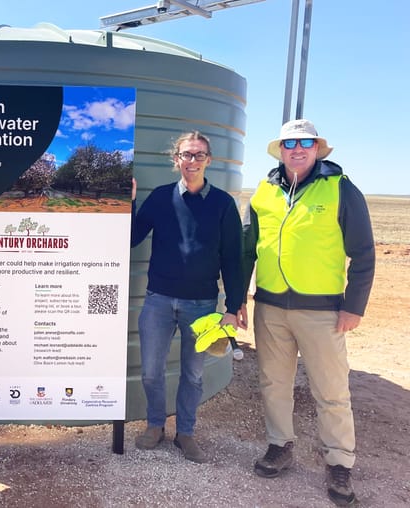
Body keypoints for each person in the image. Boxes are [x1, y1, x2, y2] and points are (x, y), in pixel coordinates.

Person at [242, 119, 375, 506]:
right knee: (274, 384)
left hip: (322, 312)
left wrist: (354, 307)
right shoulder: (263, 192)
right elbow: (247, 250)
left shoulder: (341, 189)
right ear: (280, 150)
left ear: (317, 148)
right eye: (289, 144)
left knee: (331, 391)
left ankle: (339, 463)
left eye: (305, 143)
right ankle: (279, 445)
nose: (297, 149)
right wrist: (237, 300)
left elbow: (364, 254)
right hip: (270, 307)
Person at [131, 131, 246, 463]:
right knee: (151, 372)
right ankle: (155, 425)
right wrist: (131, 202)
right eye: (186, 154)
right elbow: (133, 238)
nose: (192, 161)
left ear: (208, 160)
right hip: (158, 300)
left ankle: (186, 433)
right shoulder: (161, 198)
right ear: (176, 159)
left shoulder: (223, 204)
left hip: (202, 306)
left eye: (199, 155)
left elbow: (233, 259)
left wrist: (233, 306)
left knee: (193, 375)